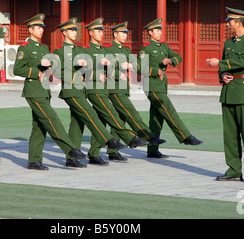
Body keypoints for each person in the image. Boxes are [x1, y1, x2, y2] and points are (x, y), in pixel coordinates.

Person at [13, 14, 87, 170]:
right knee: (52, 119)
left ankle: (34, 161)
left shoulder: (45, 47)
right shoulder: (24, 48)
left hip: (44, 90)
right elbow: (17, 69)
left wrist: (52, 73)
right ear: (30, 29)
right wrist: (36, 71)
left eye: (42, 28)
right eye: (38, 28)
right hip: (33, 90)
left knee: (39, 125)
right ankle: (70, 150)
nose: (41, 30)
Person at [51, 18, 127, 168]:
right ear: (64, 32)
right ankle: (108, 140)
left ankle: (72, 157)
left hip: (83, 90)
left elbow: (90, 67)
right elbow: (57, 72)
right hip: (71, 90)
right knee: (90, 114)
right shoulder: (59, 51)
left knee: (77, 124)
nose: (74, 33)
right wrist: (78, 71)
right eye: (71, 30)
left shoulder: (80, 50)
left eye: (75, 30)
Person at [206, 7, 244, 184]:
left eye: (229, 21)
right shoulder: (228, 43)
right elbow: (224, 68)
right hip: (229, 92)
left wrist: (219, 63)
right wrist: (222, 74)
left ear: (239, 23)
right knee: (229, 135)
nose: (228, 24)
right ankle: (234, 170)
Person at [82, 18, 149, 165]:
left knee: (100, 121)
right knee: (112, 116)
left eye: (102, 31)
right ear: (90, 32)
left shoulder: (104, 50)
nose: (101, 33)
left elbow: (111, 67)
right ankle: (130, 137)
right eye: (98, 31)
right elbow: (82, 69)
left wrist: (117, 71)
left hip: (104, 89)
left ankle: (93, 153)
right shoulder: (85, 51)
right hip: (94, 89)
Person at [138, 18, 203, 159]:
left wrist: (170, 61)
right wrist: (157, 71)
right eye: (156, 30)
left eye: (160, 30)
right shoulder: (146, 48)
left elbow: (178, 56)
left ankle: (152, 150)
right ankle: (186, 136)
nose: (159, 33)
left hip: (161, 86)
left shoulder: (164, 47)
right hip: (151, 85)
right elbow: (140, 67)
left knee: (157, 118)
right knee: (169, 110)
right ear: (150, 32)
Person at [105, 21, 166, 161]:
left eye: (126, 33)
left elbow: (138, 66)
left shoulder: (126, 50)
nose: (125, 36)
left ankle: (113, 151)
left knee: (119, 119)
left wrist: (153, 70)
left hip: (123, 87)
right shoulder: (108, 49)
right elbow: (104, 67)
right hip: (114, 87)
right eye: (122, 33)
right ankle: (148, 137)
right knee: (130, 112)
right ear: (115, 34)